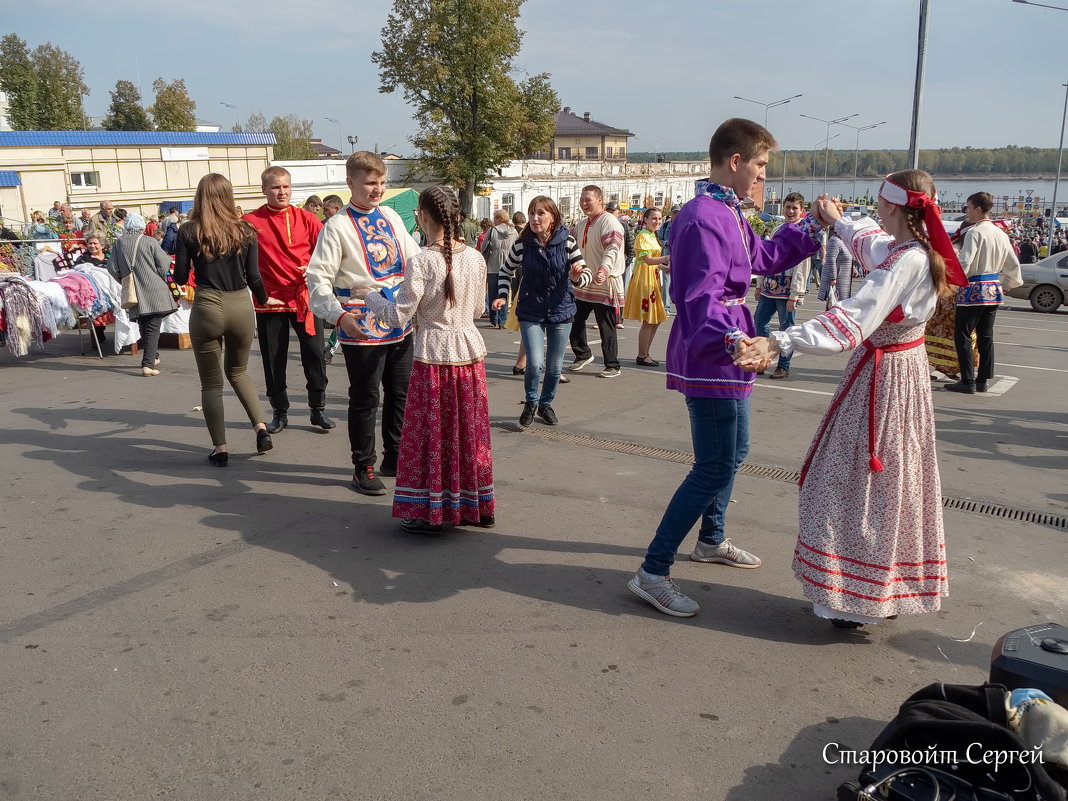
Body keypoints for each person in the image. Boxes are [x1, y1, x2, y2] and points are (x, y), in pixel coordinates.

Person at [734, 170, 969, 628]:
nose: (876, 212)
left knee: (845, 481)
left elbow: (854, 318)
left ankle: (851, 596)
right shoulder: (908, 251)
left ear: (894, 208)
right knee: (892, 481)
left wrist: (779, 341)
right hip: (895, 375)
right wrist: (836, 221)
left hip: (885, 379)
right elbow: (867, 242)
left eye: (881, 204)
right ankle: (884, 589)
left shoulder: (908, 261)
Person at [627, 118, 821, 618]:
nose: (763, 179)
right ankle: (653, 570)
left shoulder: (727, 213)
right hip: (714, 350)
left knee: (736, 453)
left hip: (730, 346)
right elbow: (698, 296)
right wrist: (735, 340)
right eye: (759, 167)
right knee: (713, 464)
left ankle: (710, 539)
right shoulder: (702, 216)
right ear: (735, 163)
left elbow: (767, 256)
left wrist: (813, 228)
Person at [353, 186, 495, 532]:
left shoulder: (422, 261)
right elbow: (478, 309)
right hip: (468, 352)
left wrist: (368, 297)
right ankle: (477, 504)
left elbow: (398, 315)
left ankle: (432, 510)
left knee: (432, 434)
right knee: (469, 433)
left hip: (433, 355)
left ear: (425, 217)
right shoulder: (474, 258)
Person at [306, 151, 422, 495]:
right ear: (350, 183)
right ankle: (363, 465)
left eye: (382, 182)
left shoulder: (390, 215)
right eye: (371, 183)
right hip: (361, 324)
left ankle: (395, 455)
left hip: (399, 321)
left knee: (400, 394)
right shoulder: (337, 225)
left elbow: (415, 261)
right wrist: (338, 315)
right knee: (366, 397)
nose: (378, 190)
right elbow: (317, 279)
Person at [175, 173, 275, 466]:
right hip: (241, 305)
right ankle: (260, 428)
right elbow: (254, 277)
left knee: (211, 384)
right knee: (239, 373)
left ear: (200, 197)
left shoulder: (188, 231)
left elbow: (181, 276)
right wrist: (266, 299)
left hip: (207, 304)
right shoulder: (246, 230)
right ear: (228, 197)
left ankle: (221, 449)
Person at [244, 166, 334, 434]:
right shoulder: (250, 222)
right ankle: (279, 411)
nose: (281, 192)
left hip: (304, 300)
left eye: (285, 186)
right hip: (269, 301)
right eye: (275, 187)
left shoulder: (307, 219)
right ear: (264, 189)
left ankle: (317, 409)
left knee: (315, 355)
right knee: (273, 360)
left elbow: (329, 253)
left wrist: (316, 269)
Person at [493, 196, 590, 427]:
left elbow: (585, 274)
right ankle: (531, 401)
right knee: (535, 363)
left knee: (555, 367)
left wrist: (577, 277)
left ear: (552, 217)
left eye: (540, 213)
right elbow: (506, 271)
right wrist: (502, 295)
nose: (535, 219)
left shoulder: (567, 241)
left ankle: (545, 404)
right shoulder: (522, 243)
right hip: (531, 310)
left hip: (561, 310)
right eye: (532, 213)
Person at [945, 192, 1022, 394]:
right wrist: (1007, 283)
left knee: (963, 335)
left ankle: (967, 380)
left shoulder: (975, 233)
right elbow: (1013, 264)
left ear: (978, 208)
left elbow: (965, 263)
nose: (967, 211)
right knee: (986, 336)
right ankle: (983, 379)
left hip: (973, 289)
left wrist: (948, 279)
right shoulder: (1000, 233)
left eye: (968, 207)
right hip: (993, 288)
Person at [107, 213, 177, 376]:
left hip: (134, 291)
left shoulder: (118, 244)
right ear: (142, 227)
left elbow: (111, 268)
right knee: (152, 326)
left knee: (144, 324)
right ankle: (148, 365)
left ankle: (154, 356)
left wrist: (124, 280)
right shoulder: (149, 241)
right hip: (154, 288)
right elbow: (165, 263)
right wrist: (156, 274)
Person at [752, 192, 812, 380]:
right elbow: (768, 257)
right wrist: (760, 284)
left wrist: (795, 294)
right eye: (788, 207)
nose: (791, 211)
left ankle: (783, 366)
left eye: (795, 208)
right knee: (760, 323)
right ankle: (762, 359)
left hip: (787, 291)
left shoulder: (802, 233)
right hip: (769, 288)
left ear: (802, 211)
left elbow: (803, 266)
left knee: (787, 329)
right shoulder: (778, 229)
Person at [568, 185, 626, 378]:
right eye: (582, 199)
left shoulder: (609, 222)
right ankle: (583, 353)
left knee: (605, 324)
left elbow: (612, 248)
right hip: (585, 281)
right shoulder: (582, 224)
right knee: (574, 318)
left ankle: (612, 364)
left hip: (604, 281)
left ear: (600, 201)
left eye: (588, 200)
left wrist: (604, 269)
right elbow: (570, 244)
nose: (584, 203)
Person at [622, 208, 670, 366]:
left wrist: (663, 267)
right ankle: (642, 354)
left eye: (659, 219)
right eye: (654, 219)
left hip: (652, 276)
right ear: (645, 219)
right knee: (649, 319)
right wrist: (669, 257)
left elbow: (648, 260)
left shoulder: (651, 235)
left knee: (655, 319)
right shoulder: (643, 235)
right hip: (644, 279)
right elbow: (648, 260)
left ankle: (645, 353)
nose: (657, 222)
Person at [479, 209, 517, 329]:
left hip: (493, 265)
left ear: (499, 219)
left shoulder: (492, 230)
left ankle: (494, 318)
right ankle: (503, 320)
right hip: (508, 265)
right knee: (504, 293)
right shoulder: (514, 231)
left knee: (493, 292)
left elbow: (484, 246)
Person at [74, 234, 111, 347]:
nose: (92, 246)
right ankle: (97, 331)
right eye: (90, 243)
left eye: (95, 243)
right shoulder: (83, 258)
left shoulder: (110, 256)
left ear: (102, 245)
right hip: (93, 291)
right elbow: (78, 274)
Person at [817, 229, 856, 302]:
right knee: (835, 304)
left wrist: (853, 268)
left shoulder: (844, 242)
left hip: (844, 279)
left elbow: (848, 257)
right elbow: (830, 259)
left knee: (840, 304)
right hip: (837, 279)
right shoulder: (835, 241)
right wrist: (833, 278)